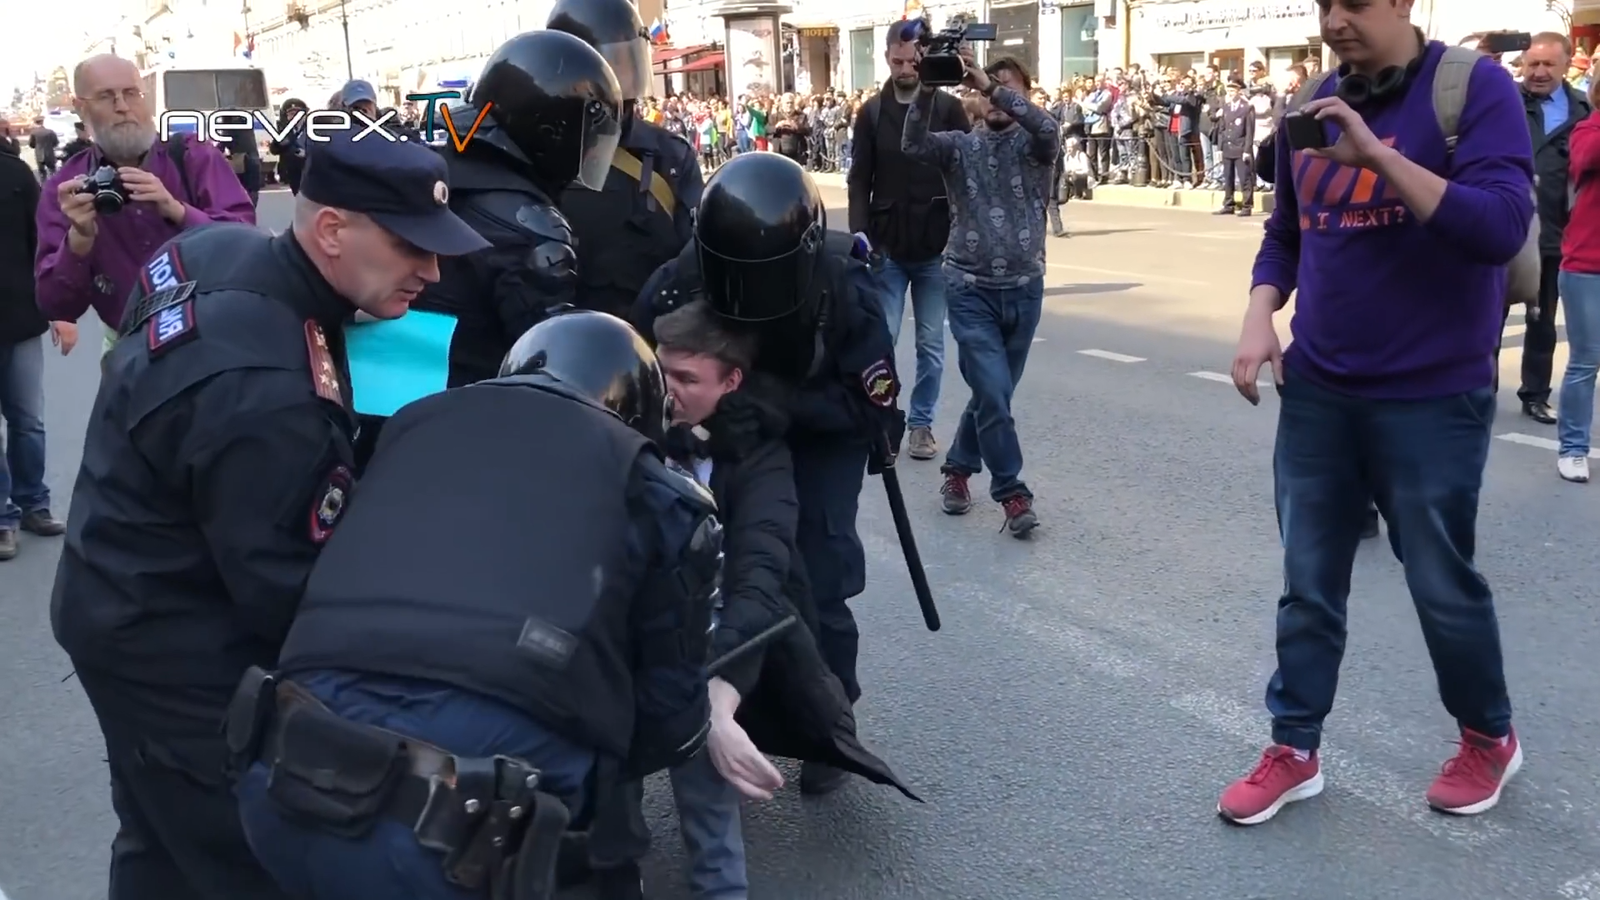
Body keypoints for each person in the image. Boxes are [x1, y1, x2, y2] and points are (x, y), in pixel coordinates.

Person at [50, 126, 488, 898]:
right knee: (236, 856)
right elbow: (290, 595)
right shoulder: (265, 389)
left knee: (157, 841)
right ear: (330, 230)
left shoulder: (229, 255)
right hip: (173, 649)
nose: (432, 269)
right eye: (409, 246)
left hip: (119, 590)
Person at [231, 309, 721, 900]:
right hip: (458, 843)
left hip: (282, 787)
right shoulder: (656, 491)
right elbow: (669, 716)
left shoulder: (409, 429)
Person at [1224, 6, 1533, 825]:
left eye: (1355, 2)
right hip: (1322, 388)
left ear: (1402, 3)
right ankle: (1294, 746)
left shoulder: (1475, 89)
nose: (1335, 20)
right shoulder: (1314, 100)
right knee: (1309, 584)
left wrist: (1377, 158)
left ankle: (1488, 737)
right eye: (1324, 3)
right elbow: (1286, 232)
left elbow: (1501, 227)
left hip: (1434, 393)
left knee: (1439, 582)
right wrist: (1263, 310)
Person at [574, 299, 917, 900]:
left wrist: (715, 698)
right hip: (623, 627)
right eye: (663, 373)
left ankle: (718, 884)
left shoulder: (760, 455)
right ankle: (615, 868)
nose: (669, 392)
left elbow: (760, 576)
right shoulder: (622, 427)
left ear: (731, 382)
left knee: (707, 768)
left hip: (714, 636)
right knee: (605, 767)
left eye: (687, 379)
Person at [633, 151, 903, 796]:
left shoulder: (842, 286)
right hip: (713, 427)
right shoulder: (675, 282)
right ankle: (721, 702)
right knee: (697, 565)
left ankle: (831, 718)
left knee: (821, 569)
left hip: (817, 433)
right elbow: (638, 370)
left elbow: (872, 404)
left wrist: (779, 407)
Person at [900, 50, 1058, 536]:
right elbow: (911, 144)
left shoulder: (1037, 147)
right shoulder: (959, 147)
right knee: (992, 391)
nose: (994, 96)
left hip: (1025, 290)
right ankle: (1012, 493)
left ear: (1023, 94)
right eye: (987, 87)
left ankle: (957, 471)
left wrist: (990, 84)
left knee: (995, 396)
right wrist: (927, 86)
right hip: (969, 290)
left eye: (1007, 87)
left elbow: (1048, 129)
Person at [410, 29, 624, 388]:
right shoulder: (533, 231)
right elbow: (556, 369)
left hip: (387, 400)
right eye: (586, 140)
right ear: (550, 132)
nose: (588, 154)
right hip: (477, 412)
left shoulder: (434, 169)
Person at [34, 54, 255, 358]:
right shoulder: (67, 186)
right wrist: (79, 241)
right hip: (132, 353)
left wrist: (177, 210)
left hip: (215, 340)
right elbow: (55, 303)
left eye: (131, 93)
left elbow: (246, 243)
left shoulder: (195, 157)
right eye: (106, 96)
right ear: (81, 107)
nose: (122, 106)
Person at [847, 21, 970, 462]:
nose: (905, 68)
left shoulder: (950, 109)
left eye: (912, 60)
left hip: (937, 248)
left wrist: (963, 230)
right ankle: (885, 420)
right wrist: (859, 232)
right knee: (883, 340)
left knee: (932, 344)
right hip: (888, 247)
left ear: (924, 56)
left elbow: (964, 173)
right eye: (897, 61)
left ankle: (921, 425)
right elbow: (860, 177)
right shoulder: (871, 112)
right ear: (886, 59)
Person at [547, 0, 702, 319]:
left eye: (628, 60)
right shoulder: (537, 149)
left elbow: (696, 262)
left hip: (654, 339)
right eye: (611, 62)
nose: (622, 75)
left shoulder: (669, 155)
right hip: (558, 338)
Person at [1508, 32, 1592, 426]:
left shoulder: (1582, 109)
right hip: (1504, 227)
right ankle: (1478, 391)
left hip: (1558, 231)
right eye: (1532, 65)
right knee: (1487, 317)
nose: (1539, 73)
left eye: (1548, 65)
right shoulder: (1503, 102)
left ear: (1565, 65)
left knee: (1542, 322)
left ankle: (1536, 395)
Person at [0, 135, 73, 560]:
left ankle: (33, 505)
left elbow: (44, 244)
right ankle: (3, 519)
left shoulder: (14, 172)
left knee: (28, 421)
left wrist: (59, 309)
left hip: (21, 319)